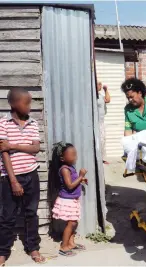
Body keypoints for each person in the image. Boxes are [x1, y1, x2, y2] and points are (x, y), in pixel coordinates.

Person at [0, 88, 46, 265]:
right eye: (26, 103)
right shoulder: (3, 124)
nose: (29, 106)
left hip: (31, 175)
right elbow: (4, 153)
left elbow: (35, 148)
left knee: (31, 213)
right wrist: (13, 181)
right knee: (7, 217)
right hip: (9, 178)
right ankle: (3, 252)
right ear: (13, 103)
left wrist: (13, 145)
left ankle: (33, 247)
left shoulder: (33, 123)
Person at [48, 142, 88, 257]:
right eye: (72, 155)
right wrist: (80, 176)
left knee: (73, 223)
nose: (75, 157)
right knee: (71, 223)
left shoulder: (70, 167)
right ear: (62, 158)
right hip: (67, 201)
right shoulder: (64, 169)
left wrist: (81, 180)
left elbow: (73, 181)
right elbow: (70, 185)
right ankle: (64, 247)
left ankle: (71, 243)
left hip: (72, 200)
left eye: (75, 154)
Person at [97, 81, 111, 164]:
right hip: (95, 121)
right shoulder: (93, 96)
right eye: (99, 84)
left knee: (102, 139)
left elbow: (108, 100)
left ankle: (102, 158)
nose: (100, 86)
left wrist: (105, 90)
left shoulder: (101, 95)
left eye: (100, 84)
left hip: (101, 121)